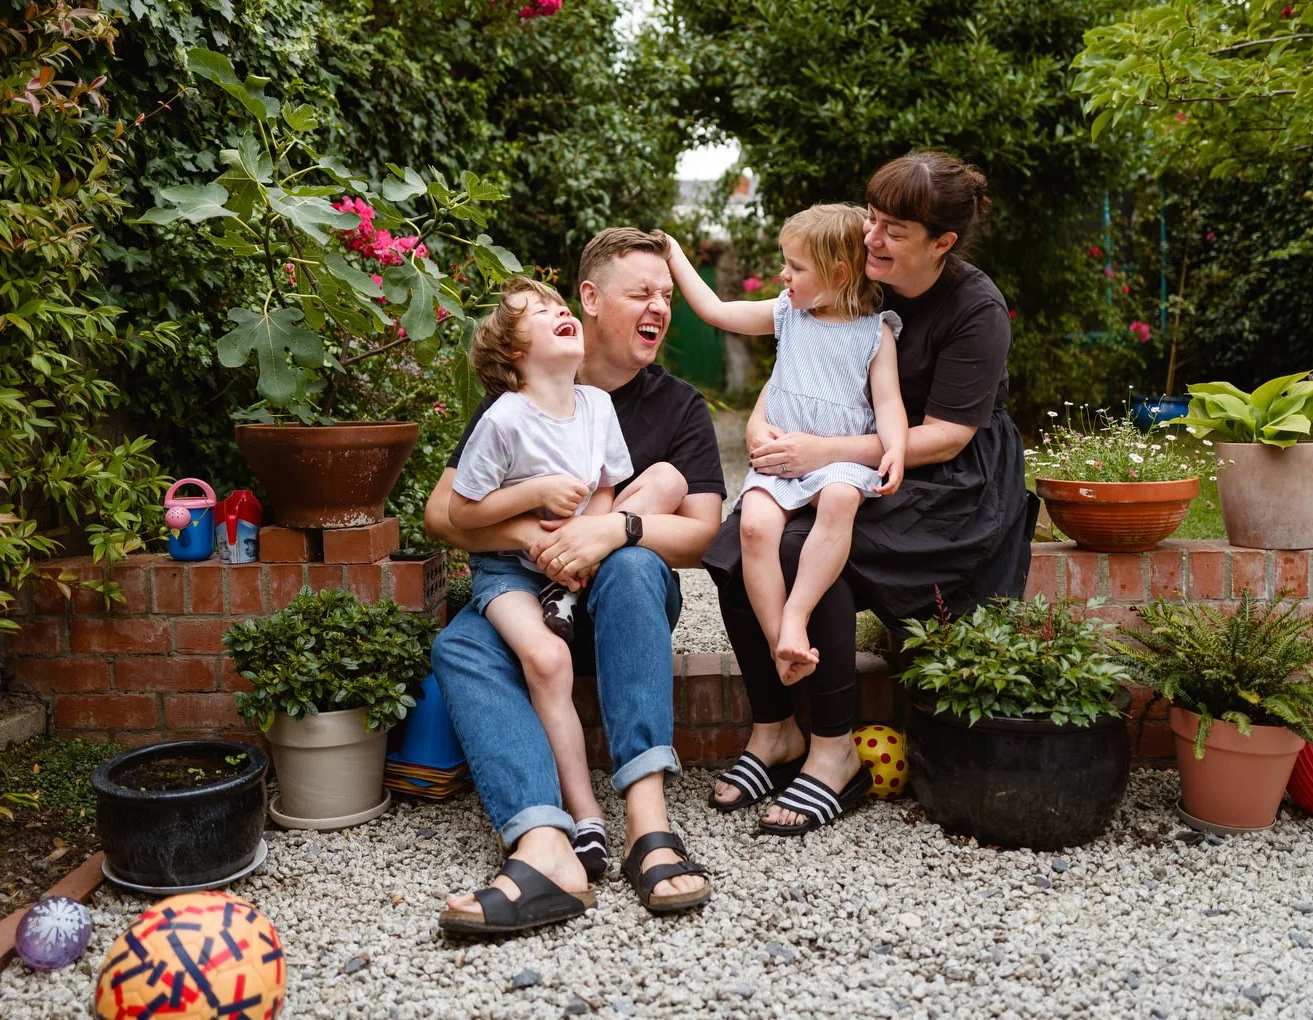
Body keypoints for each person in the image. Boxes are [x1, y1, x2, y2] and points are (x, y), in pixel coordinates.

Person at [705, 150, 1036, 834]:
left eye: (895, 230)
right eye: (873, 220)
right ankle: (775, 733)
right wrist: (766, 421)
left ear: (942, 243)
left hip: (948, 482)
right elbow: (805, 363)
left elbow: (946, 436)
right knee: (742, 539)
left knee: (807, 547)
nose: (872, 238)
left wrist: (824, 453)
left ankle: (833, 755)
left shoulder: (976, 309)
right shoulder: (862, 277)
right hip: (848, 458)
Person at [428, 228, 725, 937]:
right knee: (461, 648)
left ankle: (646, 825)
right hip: (530, 591)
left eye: (666, 295)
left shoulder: (679, 407)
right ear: (589, 299)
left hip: (624, 602)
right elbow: (444, 511)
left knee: (631, 564)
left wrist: (610, 531)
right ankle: (545, 846)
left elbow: (701, 532)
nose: (661, 307)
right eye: (641, 293)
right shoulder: (526, 391)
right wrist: (537, 537)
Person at [666, 206, 907, 835]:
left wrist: (898, 449)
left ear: (832, 270)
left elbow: (889, 409)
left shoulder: (874, 333)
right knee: (750, 530)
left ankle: (795, 617)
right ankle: (785, 646)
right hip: (783, 463)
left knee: (838, 503)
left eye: (795, 266)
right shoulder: (786, 314)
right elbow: (717, 311)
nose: (783, 275)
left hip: (835, 465)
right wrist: (673, 255)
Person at [447, 275, 689, 880]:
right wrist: (533, 501)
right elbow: (457, 511)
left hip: (579, 573)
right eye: (538, 311)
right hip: (507, 573)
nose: (556, 312)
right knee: (542, 662)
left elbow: (607, 485)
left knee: (630, 570)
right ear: (513, 354)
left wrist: (587, 544)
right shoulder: (503, 418)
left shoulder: (598, 406)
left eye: (557, 305)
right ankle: (578, 822)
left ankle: (642, 815)